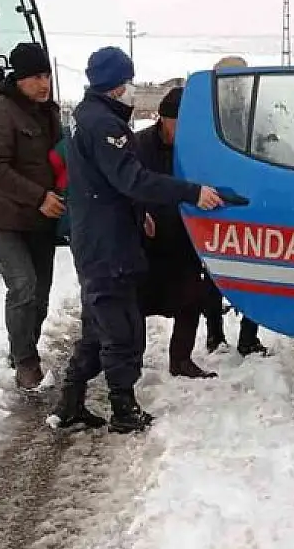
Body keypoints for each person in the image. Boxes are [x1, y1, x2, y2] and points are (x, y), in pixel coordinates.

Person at [49, 46, 225, 434]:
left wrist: (137, 212)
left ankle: (70, 403)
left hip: (98, 235)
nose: (131, 88)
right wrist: (191, 192)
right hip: (108, 243)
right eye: (127, 81)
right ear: (115, 85)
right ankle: (123, 410)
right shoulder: (105, 125)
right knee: (121, 329)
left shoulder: (83, 116)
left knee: (98, 325)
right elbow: (133, 178)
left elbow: (107, 183)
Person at [0, 42, 65, 390]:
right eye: (36, 77)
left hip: (41, 219)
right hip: (4, 217)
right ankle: (26, 361)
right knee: (23, 286)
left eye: (47, 75)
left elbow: (60, 158)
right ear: (19, 78)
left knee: (40, 293)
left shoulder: (49, 112)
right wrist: (38, 196)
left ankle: (23, 346)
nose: (44, 84)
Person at [134, 87, 217, 379]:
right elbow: (127, 183)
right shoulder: (139, 145)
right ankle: (134, 361)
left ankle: (181, 360)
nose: (183, 131)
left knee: (190, 299)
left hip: (184, 235)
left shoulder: (198, 149)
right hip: (148, 237)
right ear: (163, 119)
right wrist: (139, 211)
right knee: (137, 302)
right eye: (177, 123)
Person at [202, 56, 269, 357]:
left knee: (254, 270)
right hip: (215, 204)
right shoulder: (207, 115)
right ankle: (215, 335)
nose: (236, 86)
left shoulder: (257, 113)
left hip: (251, 205)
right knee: (213, 271)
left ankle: (248, 336)